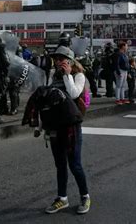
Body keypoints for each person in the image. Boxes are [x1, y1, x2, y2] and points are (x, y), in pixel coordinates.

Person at [41, 46, 91, 214]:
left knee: (75, 164)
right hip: (55, 126)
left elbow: (74, 94)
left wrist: (68, 74)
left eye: (61, 59)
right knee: (60, 164)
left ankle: (85, 196)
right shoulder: (53, 77)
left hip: (71, 127)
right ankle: (62, 198)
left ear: (70, 61)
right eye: (56, 59)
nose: (58, 62)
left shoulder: (78, 76)